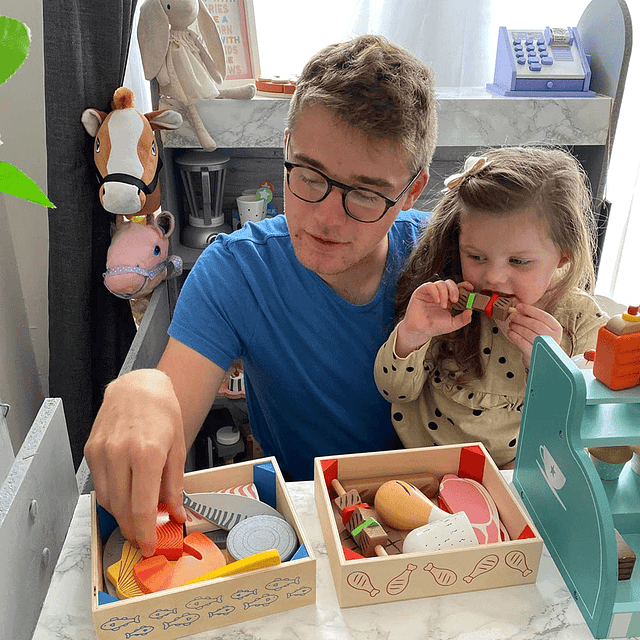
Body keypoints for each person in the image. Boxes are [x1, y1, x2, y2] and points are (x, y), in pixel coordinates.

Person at [84, 34, 437, 557]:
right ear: (287, 148)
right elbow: (167, 413)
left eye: (364, 193)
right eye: (310, 175)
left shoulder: (446, 262)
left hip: (448, 522)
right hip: (302, 532)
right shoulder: (235, 272)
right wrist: (141, 394)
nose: (325, 217)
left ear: (410, 191)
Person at [374, 146, 609, 468]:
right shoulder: (446, 303)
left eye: (518, 261)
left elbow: (587, 424)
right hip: (424, 467)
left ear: (563, 255)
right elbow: (395, 393)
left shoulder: (580, 319)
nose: (494, 277)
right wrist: (412, 333)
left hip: (522, 472)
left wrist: (552, 365)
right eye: (476, 257)